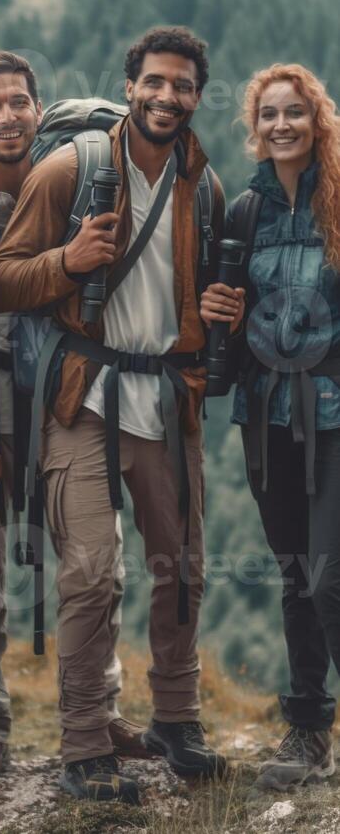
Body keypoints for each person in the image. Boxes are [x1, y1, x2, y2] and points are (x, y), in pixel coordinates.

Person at [0, 27, 239, 804]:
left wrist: (221, 309)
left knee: (181, 568)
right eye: (154, 82)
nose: (168, 97)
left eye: (183, 86)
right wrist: (70, 262)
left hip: (166, 396)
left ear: (197, 96)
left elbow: (202, 296)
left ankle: (175, 720)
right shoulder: (72, 168)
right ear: (130, 87)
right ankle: (86, 743)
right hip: (82, 397)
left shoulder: (208, 185)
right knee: (92, 573)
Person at [0, 51, 145, 780]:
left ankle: (103, 707)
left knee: (95, 555)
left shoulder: (62, 182)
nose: (7, 116)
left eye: (18, 103)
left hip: (61, 393)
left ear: (38, 109)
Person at [201, 63, 340, 792]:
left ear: (317, 119)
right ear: (254, 127)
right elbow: (225, 307)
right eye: (269, 115)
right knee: (295, 575)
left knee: (328, 577)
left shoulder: (339, 202)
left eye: (295, 113)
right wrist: (214, 311)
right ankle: (311, 730)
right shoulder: (244, 213)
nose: (282, 125)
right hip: (264, 416)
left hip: (335, 412)